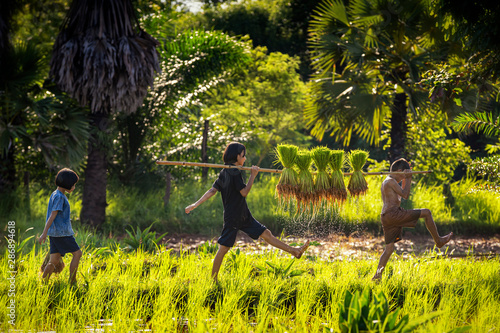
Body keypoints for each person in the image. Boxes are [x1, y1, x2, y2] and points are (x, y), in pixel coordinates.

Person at [185, 142, 310, 281]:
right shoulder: (234, 173)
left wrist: (195, 205)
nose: (245, 159)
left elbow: (212, 190)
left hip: (242, 214)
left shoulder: (224, 171)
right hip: (233, 216)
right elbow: (244, 192)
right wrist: (253, 175)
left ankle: (294, 251)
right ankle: (213, 280)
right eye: (243, 156)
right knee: (224, 248)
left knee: (266, 233)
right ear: (237, 156)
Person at [372, 158, 453, 281]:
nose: (402, 179)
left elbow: (401, 196)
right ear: (399, 171)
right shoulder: (391, 181)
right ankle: (439, 241)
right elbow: (405, 195)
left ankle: (377, 276)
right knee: (427, 212)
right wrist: (409, 178)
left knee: (389, 249)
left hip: (386, 216)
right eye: (403, 175)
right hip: (393, 214)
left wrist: (406, 177)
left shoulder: (389, 181)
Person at [38, 168, 82, 284]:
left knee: (54, 260)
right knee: (78, 254)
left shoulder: (55, 194)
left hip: (55, 233)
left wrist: (47, 233)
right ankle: (72, 281)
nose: (74, 187)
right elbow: (52, 215)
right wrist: (44, 233)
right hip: (62, 233)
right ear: (67, 184)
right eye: (73, 185)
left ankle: (43, 282)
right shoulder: (59, 197)